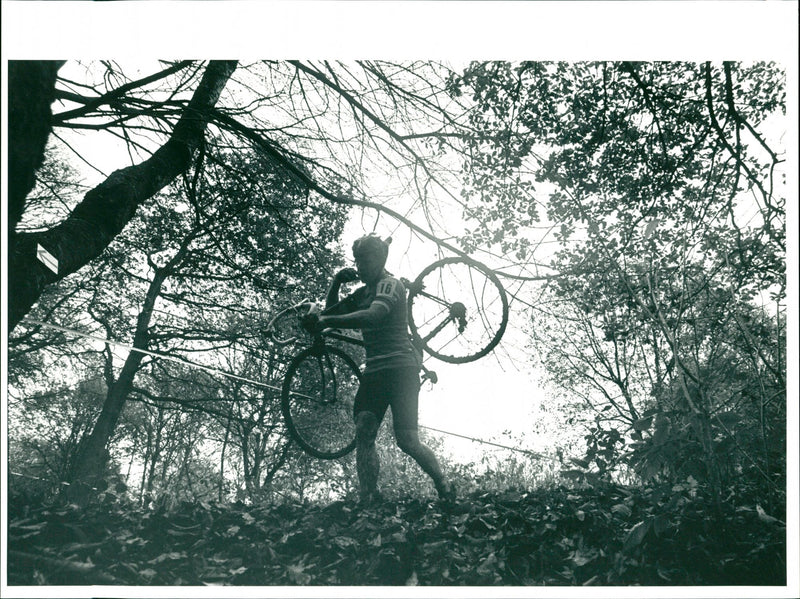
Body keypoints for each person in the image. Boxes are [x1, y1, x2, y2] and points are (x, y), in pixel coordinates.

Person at [304, 234, 455, 506]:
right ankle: (369, 496)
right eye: (357, 261)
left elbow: (373, 316)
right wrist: (336, 282)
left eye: (365, 260)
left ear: (380, 259)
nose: (359, 267)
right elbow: (333, 314)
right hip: (374, 370)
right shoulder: (361, 293)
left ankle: (443, 483)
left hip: (401, 368)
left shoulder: (390, 284)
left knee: (408, 441)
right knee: (364, 428)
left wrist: (325, 318)